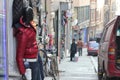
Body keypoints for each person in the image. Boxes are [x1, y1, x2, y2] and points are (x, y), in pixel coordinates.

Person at [14, 6, 44, 80]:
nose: (32, 16)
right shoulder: (24, 33)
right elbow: (19, 54)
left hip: (34, 59)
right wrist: (23, 72)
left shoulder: (29, 27)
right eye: (31, 14)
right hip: (30, 62)